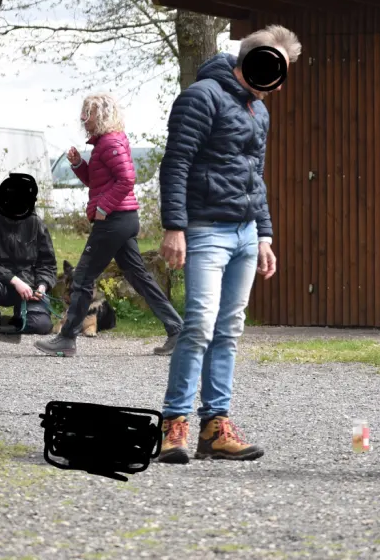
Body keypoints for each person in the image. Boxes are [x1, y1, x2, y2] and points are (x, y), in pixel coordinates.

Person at [156, 25, 301, 464]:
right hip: (204, 229)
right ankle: (173, 424)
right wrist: (174, 227)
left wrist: (265, 235)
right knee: (199, 324)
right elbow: (175, 163)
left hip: (243, 234)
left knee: (229, 330)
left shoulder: (259, 110)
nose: (278, 81)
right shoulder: (200, 97)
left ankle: (214, 428)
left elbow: (254, 178)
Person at [36, 93, 183, 357]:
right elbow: (97, 182)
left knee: (82, 277)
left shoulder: (111, 142)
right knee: (140, 277)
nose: (83, 119)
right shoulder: (104, 144)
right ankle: (177, 330)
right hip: (122, 220)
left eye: (88, 114)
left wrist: (104, 207)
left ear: (102, 115)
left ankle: (67, 338)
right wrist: (79, 164)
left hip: (115, 220)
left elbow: (127, 179)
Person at [0, 173, 56, 335]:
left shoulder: (36, 223)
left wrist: (42, 286)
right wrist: (15, 281)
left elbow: (47, 263)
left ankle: (20, 316)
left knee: (42, 326)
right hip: (0, 284)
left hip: (30, 288)